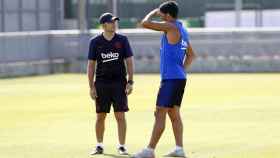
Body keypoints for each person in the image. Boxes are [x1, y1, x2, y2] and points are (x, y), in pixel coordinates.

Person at [132, 1, 196, 158]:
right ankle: (179, 149)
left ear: (167, 15)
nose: (160, 16)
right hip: (178, 78)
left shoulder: (171, 26)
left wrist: (153, 12)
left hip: (171, 79)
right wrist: (181, 69)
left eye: (161, 14)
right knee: (174, 114)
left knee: (160, 112)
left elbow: (144, 23)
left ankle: (149, 150)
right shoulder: (182, 29)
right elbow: (192, 55)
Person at [87, 12, 134, 156]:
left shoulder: (123, 40)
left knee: (120, 116)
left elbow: (129, 61)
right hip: (101, 84)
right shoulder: (95, 42)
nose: (114, 24)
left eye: (115, 21)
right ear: (103, 25)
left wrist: (130, 81)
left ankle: (122, 146)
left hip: (119, 83)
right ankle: (99, 145)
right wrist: (91, 86)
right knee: (100, 116)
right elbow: (91, 65)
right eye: (111, 22)